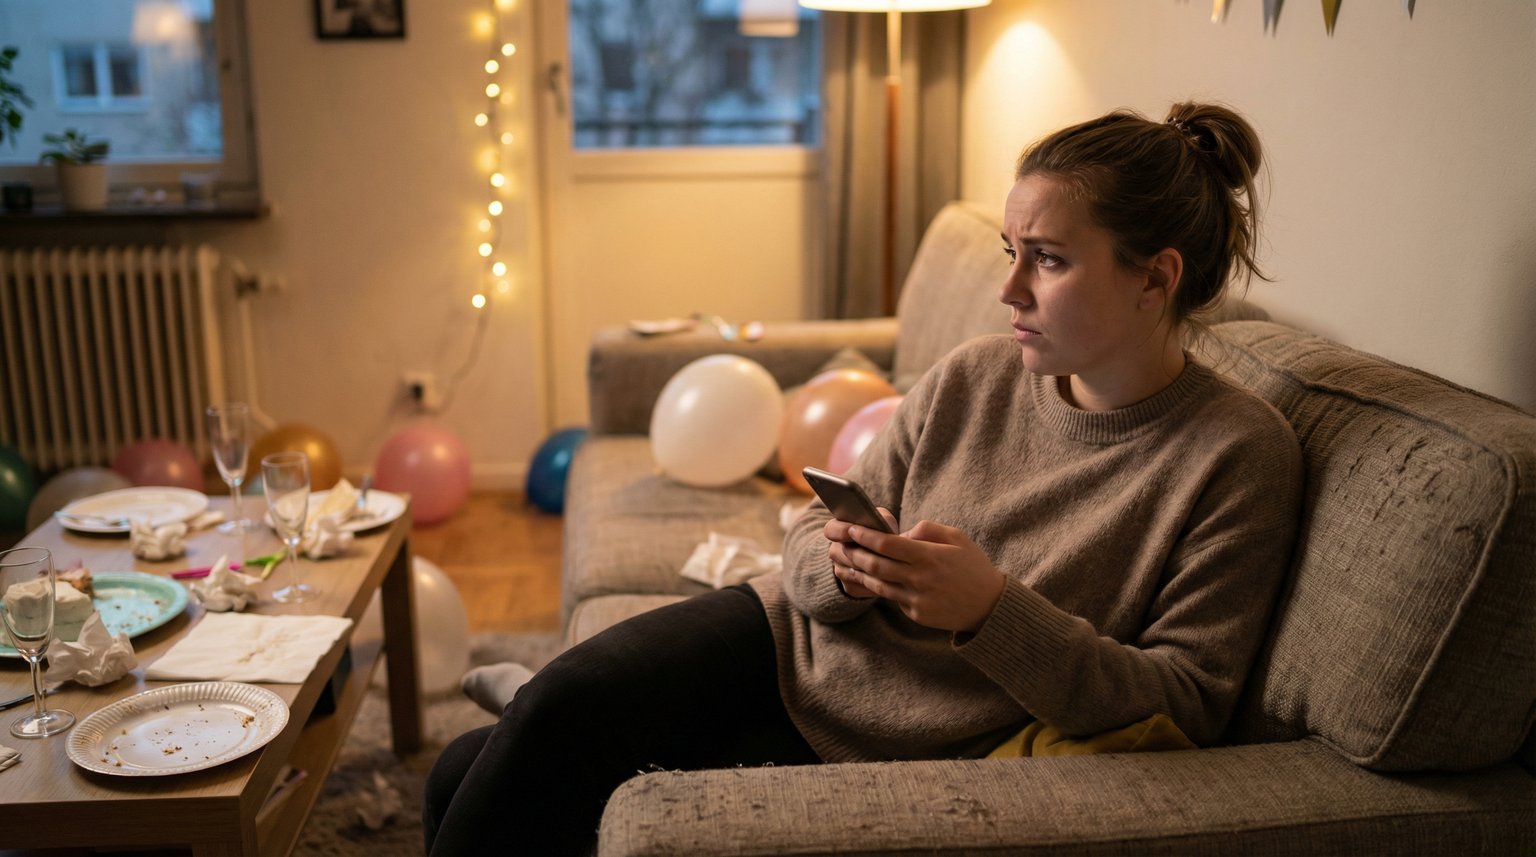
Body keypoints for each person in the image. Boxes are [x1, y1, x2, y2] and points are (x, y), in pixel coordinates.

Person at [423, 101, 1304, 855]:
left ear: (1155, 278)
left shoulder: (1236, 455)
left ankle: (542, 709)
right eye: (1010, 250)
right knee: (487, 754)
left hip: (892, 733)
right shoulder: (978, 373)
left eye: (1047, 258)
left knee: (496, 759)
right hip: (786, 635)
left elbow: (1186, 705)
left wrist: (993, 612)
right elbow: (812, 530)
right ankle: (545, 706)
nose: (1009, 290)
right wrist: (840, 564)